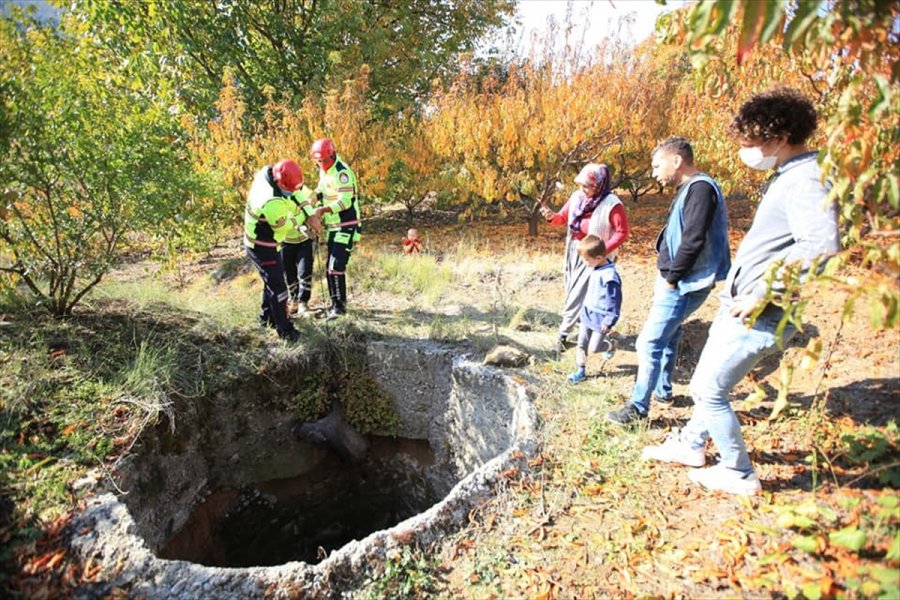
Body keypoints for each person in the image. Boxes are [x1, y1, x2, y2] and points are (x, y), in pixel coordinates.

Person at [641, 87, 840, 495]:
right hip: (742, 304)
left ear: (778, 136)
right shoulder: (789, 175)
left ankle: (737, 471)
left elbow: (820, 246)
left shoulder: (806, 179)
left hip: (759, 310)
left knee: (707, 389)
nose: (745, 148)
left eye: (751, 139)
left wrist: (762, 293)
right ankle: (692, 444)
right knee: (711, 381)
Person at [607, 137, 731, 425]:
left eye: (657, 165)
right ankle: (663, 390)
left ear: (677, 161)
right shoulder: (691, 188)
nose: (653, 173)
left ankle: (638, 408)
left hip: (683, 283)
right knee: (670, 335)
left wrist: (673, 278)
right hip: (677, 280)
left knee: (648, 343)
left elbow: (694, 239)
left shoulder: (700, 189)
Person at [539, 163, 629, 352]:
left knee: (577, 293)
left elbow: (622, 232)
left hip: (596, 256)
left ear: (599, 185)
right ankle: (584, 329)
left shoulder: (612, 204)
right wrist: (550, 216)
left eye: (587, 186)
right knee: (574, 289)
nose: (582, 189)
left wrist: (602, 251)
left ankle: (562, 334)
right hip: (575, 250)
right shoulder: (577, 198)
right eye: (581, 185)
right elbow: (561, 218)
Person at [244, 159, 319, 341]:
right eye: (289, 188)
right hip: (261, 245)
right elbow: (284, 228)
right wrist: (302, 217)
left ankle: (267, 318)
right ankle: (285, 331)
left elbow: (297, 194)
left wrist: (310, 213)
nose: (293, 192)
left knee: (271, 280)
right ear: (279, 182)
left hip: (269, 241)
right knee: (278, 286)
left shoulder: (269, 172)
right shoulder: (271, 200)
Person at [310, 138, 361, 320]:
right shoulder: (324, 171)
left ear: (332, 155)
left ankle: (339, 309)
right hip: (332, 226)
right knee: (329, 268)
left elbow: (345, 201)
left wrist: (322, 210)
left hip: (345, 224)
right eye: (318, 161)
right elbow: (321, 189)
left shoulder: (341, 172)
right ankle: (335, 304)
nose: (321, 164)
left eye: (324, 160)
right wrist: (312, 198)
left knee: (336, 266)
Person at [567, 235, 622, 384]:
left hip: (600, 319)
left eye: (586, 260)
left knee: (594, 348)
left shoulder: (610, 277)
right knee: (581, 345)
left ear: (598, 257)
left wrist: (609, 320)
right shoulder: (595, 267)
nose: (584, 263)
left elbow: (614, 302)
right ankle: (580, 371)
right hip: (587, 314)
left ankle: (612, 345)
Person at [282, 182, 318, 317]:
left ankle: (303, 302)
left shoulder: (307, 192)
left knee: (305, 272)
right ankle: (294, 301)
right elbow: (285, 220)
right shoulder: (281, 195)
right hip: (286, 240)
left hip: (304, 240)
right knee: (289, 274)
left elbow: (313, 203)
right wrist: (300, 220)